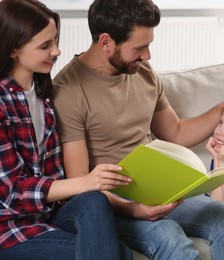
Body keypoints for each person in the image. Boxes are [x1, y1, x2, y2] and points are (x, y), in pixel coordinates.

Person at [52, 0, 224, 259]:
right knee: (169, 237)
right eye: (140, 47)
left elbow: (176, 133)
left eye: (149, 45)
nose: (148, 56)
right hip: (115, 202)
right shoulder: (67, 91)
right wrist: (136, 210)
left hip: (161, 188)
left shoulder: (142, 71)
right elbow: (82, 185)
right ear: (106, 41)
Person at [0, 0, 133, 259]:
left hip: (48, 216)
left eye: (55, 41)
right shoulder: (3, 103)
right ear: (13, 49)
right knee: (120, 253)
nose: (57, 51)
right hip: (10, 229)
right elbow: (12, 192)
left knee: (95, 200)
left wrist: (91, 186)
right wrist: (85, 181)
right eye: (45, 46)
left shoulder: (45, 96)